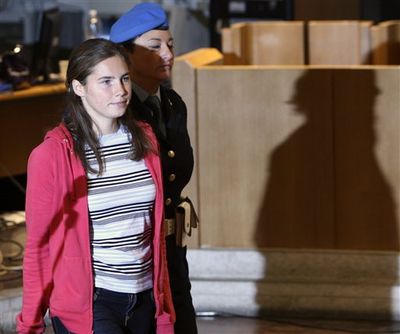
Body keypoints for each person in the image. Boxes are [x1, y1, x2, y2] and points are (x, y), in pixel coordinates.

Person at [16, 38, 175, 334]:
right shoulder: (52, 155)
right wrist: (30, 324)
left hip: (145, 297)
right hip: (92, 302)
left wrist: (163, 305)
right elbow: (38, 248)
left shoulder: (146, 138)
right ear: (79, 87)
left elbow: (153, 234)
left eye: (124, 78)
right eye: (106, 81)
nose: (121, 90)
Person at [110, 3, 198, 334]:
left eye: (171, 45)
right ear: (127, 56)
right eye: (154, 46)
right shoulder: (118, 111)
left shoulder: (172, 104)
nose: (168, 54)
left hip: (172, 248)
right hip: (135, 252)